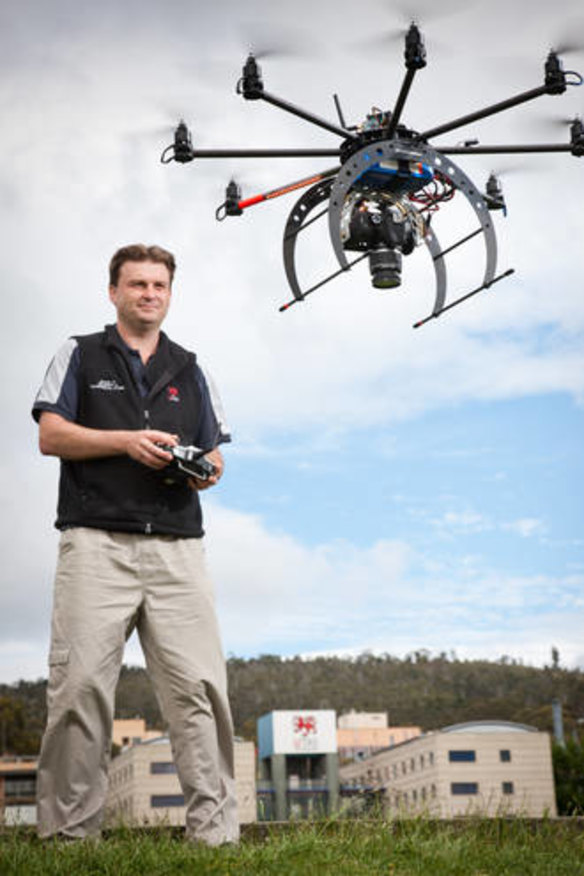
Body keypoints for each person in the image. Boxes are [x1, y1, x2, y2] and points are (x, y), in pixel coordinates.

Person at [32, 244, 238, 845]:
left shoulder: (192, 368)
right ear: (114, 292)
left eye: (159, 285)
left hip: (178, 549)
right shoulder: (80, 353)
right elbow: (50, 435)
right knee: (79, 690)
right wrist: (125, 441)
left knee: (200, 690)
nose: (149, 293)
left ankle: (216, 836)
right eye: (137, 284)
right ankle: (70, 839)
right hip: (95, 544)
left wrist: (205, 467)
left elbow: (217, 452)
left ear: (170, 294)